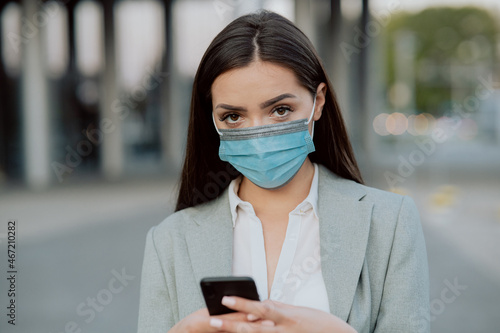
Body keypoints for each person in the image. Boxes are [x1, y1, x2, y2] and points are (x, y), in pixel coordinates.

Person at [138, 10, 430, 333]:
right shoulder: (169, 241)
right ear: (212, 119)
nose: (258, 134)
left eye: (280, 110)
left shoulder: (390, 224)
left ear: (318, 102)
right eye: (233, 117)